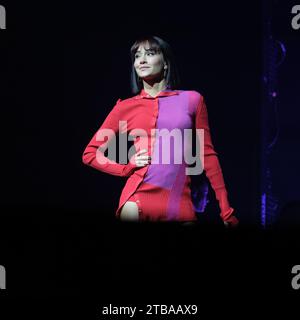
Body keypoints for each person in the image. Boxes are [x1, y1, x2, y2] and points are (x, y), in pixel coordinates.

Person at [82, 35, 238, 227]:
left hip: (179, 202)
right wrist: (125, 168)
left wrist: (226, 210)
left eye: (149, 54)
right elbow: (90, 153)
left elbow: (208, 156)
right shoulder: (125, 107)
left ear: (165, 62)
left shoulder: (192, 100)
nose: (142, 60)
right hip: (137, 200)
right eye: (137, 56)